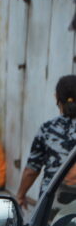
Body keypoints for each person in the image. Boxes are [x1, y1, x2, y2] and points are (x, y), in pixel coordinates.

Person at [17, 75, 76, 208]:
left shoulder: (48, 129)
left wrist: (21, 195)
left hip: (53, 204)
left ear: (57, 98)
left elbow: (31, 170)